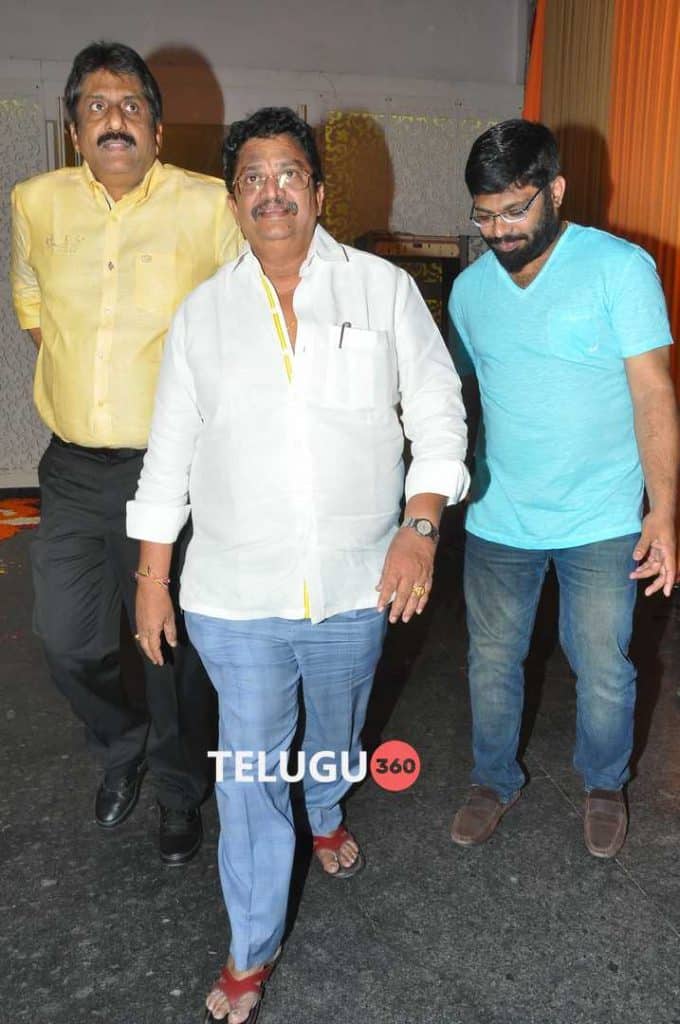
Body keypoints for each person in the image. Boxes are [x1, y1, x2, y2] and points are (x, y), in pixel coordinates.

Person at [127, 106, 469, 1023]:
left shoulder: (382, 292)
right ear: (233, 200)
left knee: (337, 732)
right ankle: (250, 948)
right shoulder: (202, 316)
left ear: (317, 191)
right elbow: (168, 455)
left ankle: (325, 805)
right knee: (247, 773)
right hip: (235, 597)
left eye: (288, 174)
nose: (271, 191)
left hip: (359, 584)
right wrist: (152, 578)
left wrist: (421, 524)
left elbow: (437, 410)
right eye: (252, 177)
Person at [10, 41, 240, 865]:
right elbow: (31, 301)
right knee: (65, 639)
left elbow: (246, 310)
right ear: (74, 129)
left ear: (158, 130)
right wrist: (88, 384)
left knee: (168, 645)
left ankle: (179, 789)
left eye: (132, 106)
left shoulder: (208, 206)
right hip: (72, 467)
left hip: (171, 468)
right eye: (97, 107)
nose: (116, 120)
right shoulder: (34, 202)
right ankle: (121, 743)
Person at [448, 119, 678, 859]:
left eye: (515, 210)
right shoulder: (469, 293)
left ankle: (604, 784)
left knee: (604, 665)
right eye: (485, 215)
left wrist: (664, 512)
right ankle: (492, 779)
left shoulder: (620, 269)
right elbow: (461, 397)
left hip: (603, 516)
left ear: (556, 190)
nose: (499, 231)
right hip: (499, 515)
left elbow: (653, 392)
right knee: (490, 660)